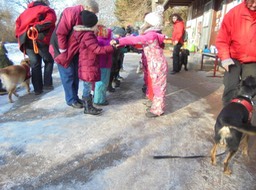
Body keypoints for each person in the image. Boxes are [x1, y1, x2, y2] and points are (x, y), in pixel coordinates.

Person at [111, 5, 168, 118]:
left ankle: (158, 110)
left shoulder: (151, 35)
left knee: (158, 87)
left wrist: (119, 40)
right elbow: (136, 39)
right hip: (155, 64)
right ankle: (156, 106)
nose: (143, 23)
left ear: (150, 23)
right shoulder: (151, 34)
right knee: (157, 86)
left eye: (146, 21)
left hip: (157, 65)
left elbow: (135, 39)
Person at [49, 0, 99, 109]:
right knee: (68, 74)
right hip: (61, 49)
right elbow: (61, 33)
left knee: (75, 74)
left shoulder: (85, 16)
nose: (94, 15)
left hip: (74, 49)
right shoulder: (71, 12)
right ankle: (70, 100)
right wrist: (63, 51)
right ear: (86, 7)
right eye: (93, 12)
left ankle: (75, 97)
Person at [215, 0, 256, 106]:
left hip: (253, 59)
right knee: (231, 87)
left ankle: (250, 119)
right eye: (252, 1)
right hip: (233, 57)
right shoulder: (234, 14)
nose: (254, 4)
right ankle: (228, 118)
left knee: (252, 91)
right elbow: (222, 39)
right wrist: (225, 58)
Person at [74, 10, 114, 115]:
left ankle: (89, 106)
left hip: (88, 63)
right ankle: (88, 108)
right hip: (88, 65)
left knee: (88, 85)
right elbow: (97, 49)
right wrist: (111, 47)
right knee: (87, 86)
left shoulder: (86, 34)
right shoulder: (88, 35)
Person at [15, 0, 57, 95]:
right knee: (49, 61)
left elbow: (17, 28)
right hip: (41, 39)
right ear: (45, 2)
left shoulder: (23, 13)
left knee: (35, 64)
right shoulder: (46, 9)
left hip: (27, 39)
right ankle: (47, 84)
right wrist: (36, 28)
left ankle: (37, 89)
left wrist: (22, 36)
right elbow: (50, 20)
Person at [93, 25, 113, 106]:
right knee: (102, 82)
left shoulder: (97, 40)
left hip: (99, 64)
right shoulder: (105, 41)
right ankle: (99, 100)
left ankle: (98, 98)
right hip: (104, 64)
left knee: (99, 82)